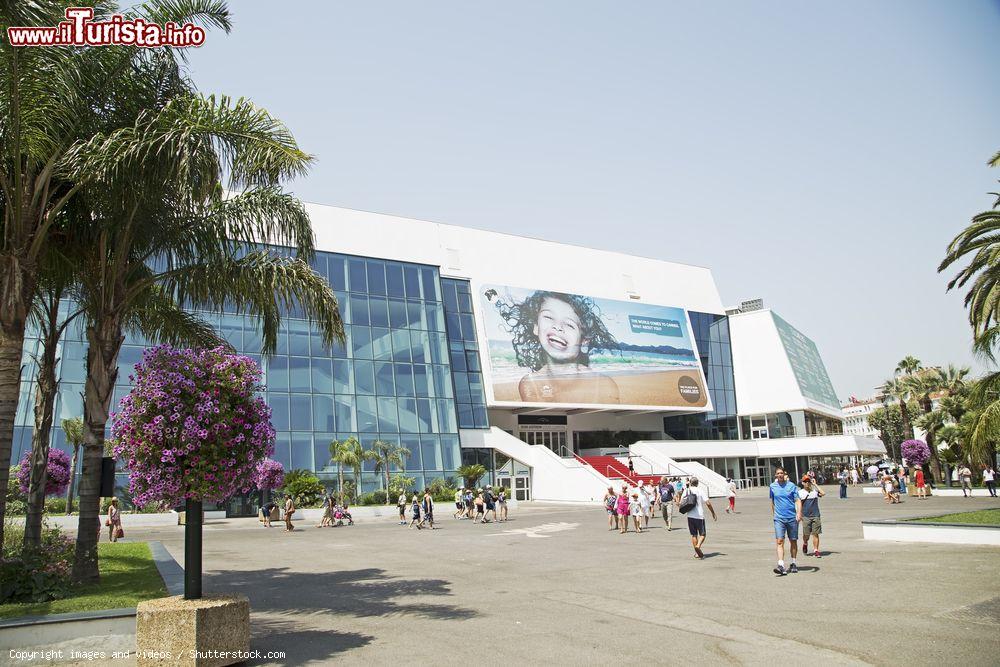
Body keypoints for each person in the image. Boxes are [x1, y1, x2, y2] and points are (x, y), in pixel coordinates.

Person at [490, 289, 622, 404]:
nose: (558, 327)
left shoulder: (604, 385)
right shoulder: (531, 383)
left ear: (584, 341)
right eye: (548, 317)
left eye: (569, 325)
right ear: (536, 327)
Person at [769, 467, 801, 575]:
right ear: (775, 475)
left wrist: (799, 513)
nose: (780, 475)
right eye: (778, 473)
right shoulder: (772, 487)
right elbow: (773, 501)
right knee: (779, 541)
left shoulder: (791, 486)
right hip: (779, 519)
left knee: (793, 541)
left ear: (784, 474)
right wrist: (774, 515)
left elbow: (797, 500)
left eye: (781, 473)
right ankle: (781, 565)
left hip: (792, 518)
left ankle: (793, 563)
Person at [683, 477, 716, 559]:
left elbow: (681, 501)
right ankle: (698, 546)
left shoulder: (686, 490)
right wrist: (713, 513)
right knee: (703, 534)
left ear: (690, 483)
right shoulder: (700, 490)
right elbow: (708, 503)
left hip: (690, 515)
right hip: (699, 516)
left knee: (694, 535)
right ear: (697, 483)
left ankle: (696, 553)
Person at [798, 475, 824, 558]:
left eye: (808, 481)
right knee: (806, 534)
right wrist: (799, 514)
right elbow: (797, 504)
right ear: (802, 483)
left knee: (815, 534)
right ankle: (805, 543)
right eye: (805, 482)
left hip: (816, 515)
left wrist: (815, 485)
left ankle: (816, 550)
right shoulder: (800, 493)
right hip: (805, 516)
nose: (807, 483)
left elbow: (823, 493)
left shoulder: (814, 492)